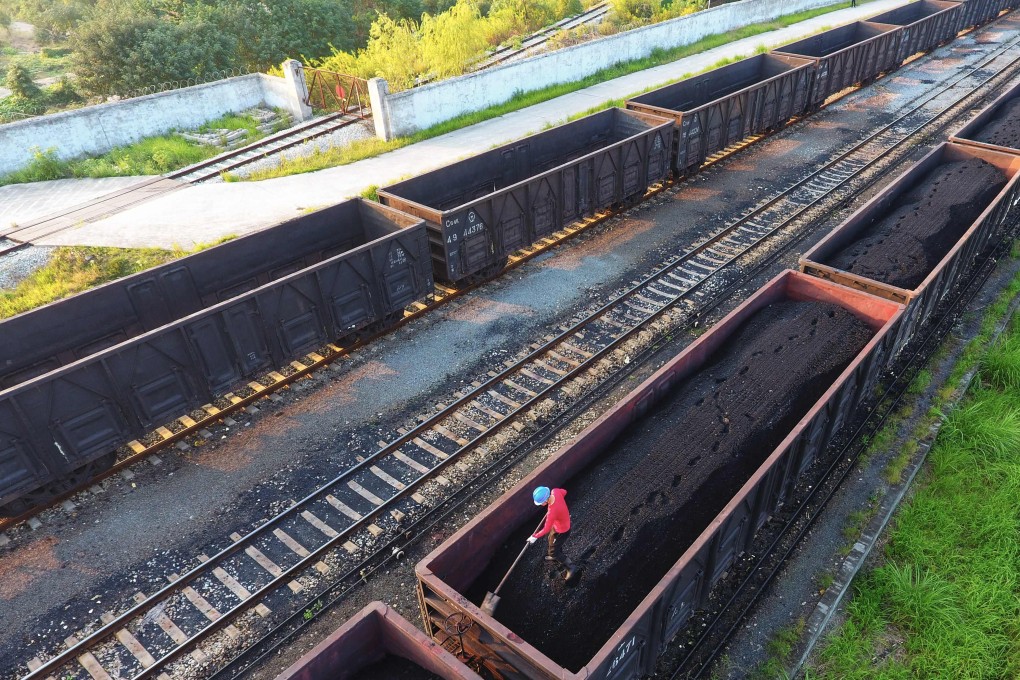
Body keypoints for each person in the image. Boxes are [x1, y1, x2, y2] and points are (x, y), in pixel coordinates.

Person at [528, 486, 578, 581]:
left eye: (540, 503)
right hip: (557, 526)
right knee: (551, 540)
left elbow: (546, 529)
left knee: (553, 552)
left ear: (546, 500)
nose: (540, 504)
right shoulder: (555, 491)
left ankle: (571, 567)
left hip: (562, 530)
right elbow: (564, 491)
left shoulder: (552, 512)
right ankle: (557, 554)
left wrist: (534, 536)